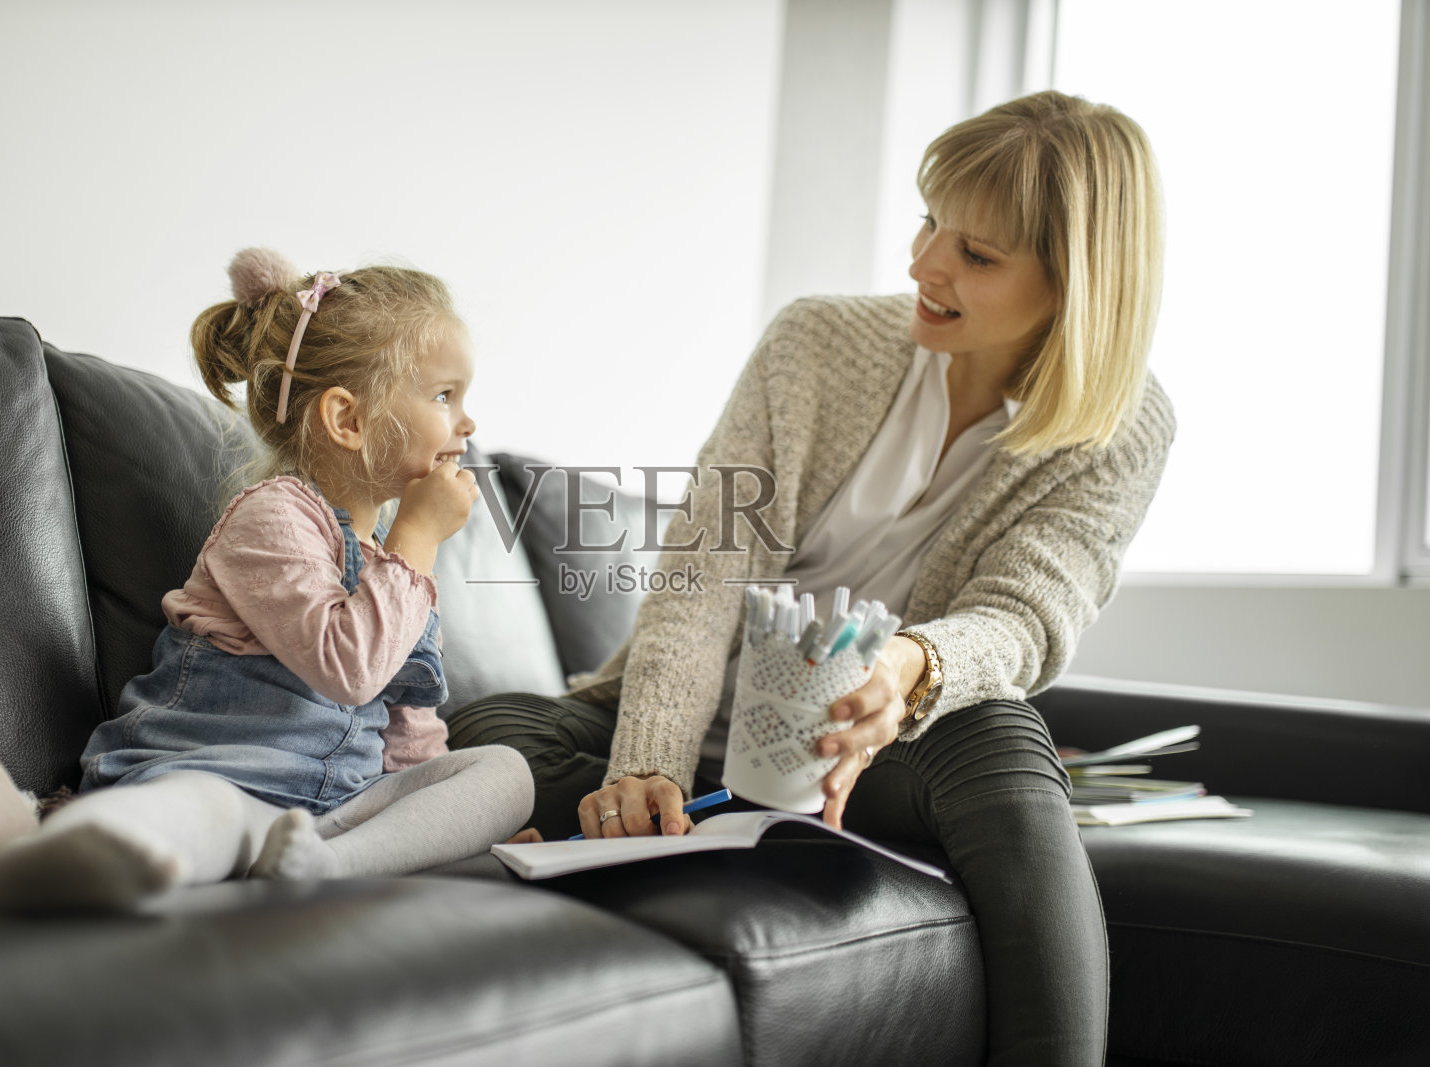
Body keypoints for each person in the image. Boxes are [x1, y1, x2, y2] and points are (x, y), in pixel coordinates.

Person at [447, 90, 1172, 1065]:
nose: (923, 264)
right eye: (928, 223)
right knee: (488, 729)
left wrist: (909, 666)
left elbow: (1023, 618)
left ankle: (741, 823)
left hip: (856, 755)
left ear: (1076, 284)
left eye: (976, 254)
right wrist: (647, 761)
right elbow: (704, 572)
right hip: (701, 735)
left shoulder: (1123, 427)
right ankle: (705, 813)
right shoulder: (815, 344)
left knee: (999, 734)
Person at [0, 249, 533, 915]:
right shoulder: (274, 517)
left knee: (505, 773)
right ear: (348, 419)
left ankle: (329, 867)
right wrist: (418, 538)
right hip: (225, 785)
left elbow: (411, 738)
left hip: (330, 822)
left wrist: (455, 832)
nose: (467, 424)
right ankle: (63, 860)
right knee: (200, 811)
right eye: (444, 395)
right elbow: (348, 667)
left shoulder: (399, 568)